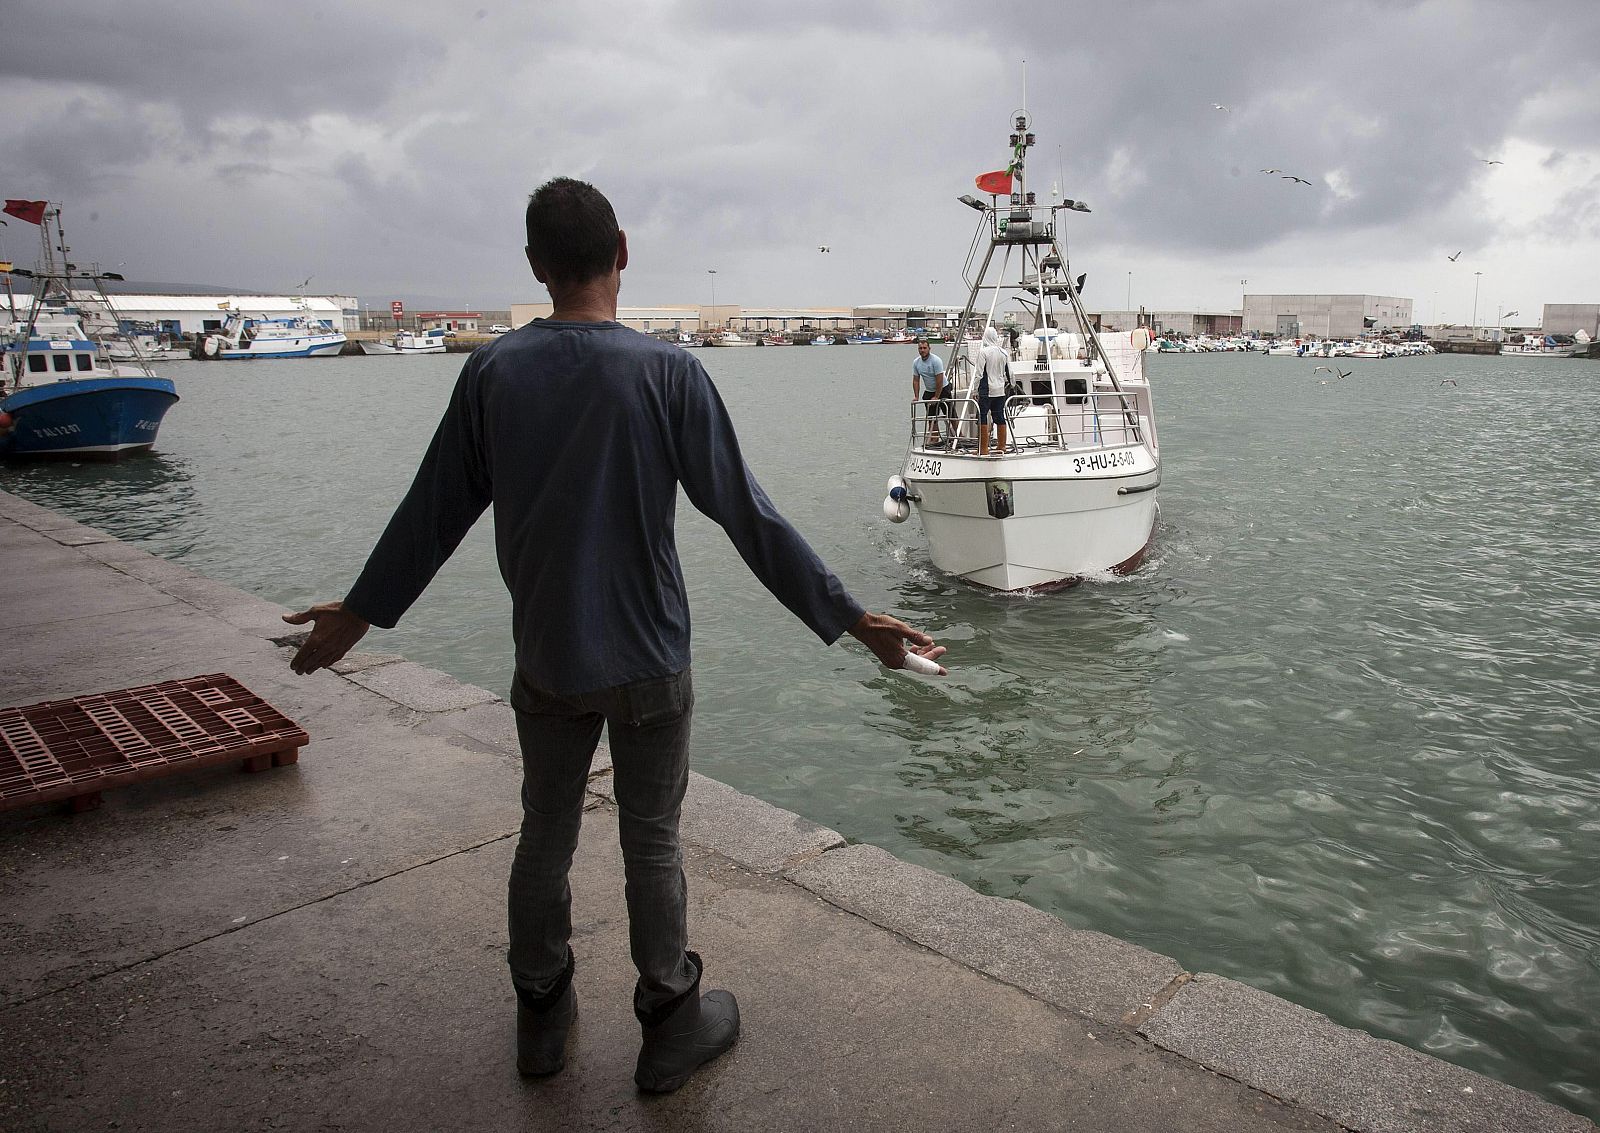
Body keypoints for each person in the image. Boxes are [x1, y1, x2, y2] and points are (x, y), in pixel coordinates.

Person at [282, 177, 946, 1094]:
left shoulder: (491, 374)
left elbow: (432, 513)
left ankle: (542, 1015)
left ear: (535, 267)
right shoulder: (667, 374)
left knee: (543, 831)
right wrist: (853, 620)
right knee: (653, 842)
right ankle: (670, 1020)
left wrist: (358, 613)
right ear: (623, 252)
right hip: (647, 660)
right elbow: (749, 519)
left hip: (547, 656)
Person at [976, 325, 1011, 456]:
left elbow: (979, 373)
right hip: (1000, 390)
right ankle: (1002, 446)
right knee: (999, 416)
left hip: (987, 390)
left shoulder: (983, 352)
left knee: (982, 416)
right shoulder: (1004, 352)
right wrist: (1011, 384)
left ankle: (983, 448)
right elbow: (1010, 372)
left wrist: (974, 389)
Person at [910, 337, 947, 444]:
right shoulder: (916, 362)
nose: (922, 350)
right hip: (929, 391)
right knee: (931, 417)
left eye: (924, 348)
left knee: (950, 415)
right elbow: (916, 380)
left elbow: (939, 380)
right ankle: (934, 437)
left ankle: (959, 436)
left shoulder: (936, 361)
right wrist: (916, 396)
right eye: (920, 348)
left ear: (929, 348)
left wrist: (937, 396)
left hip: (943, 388)